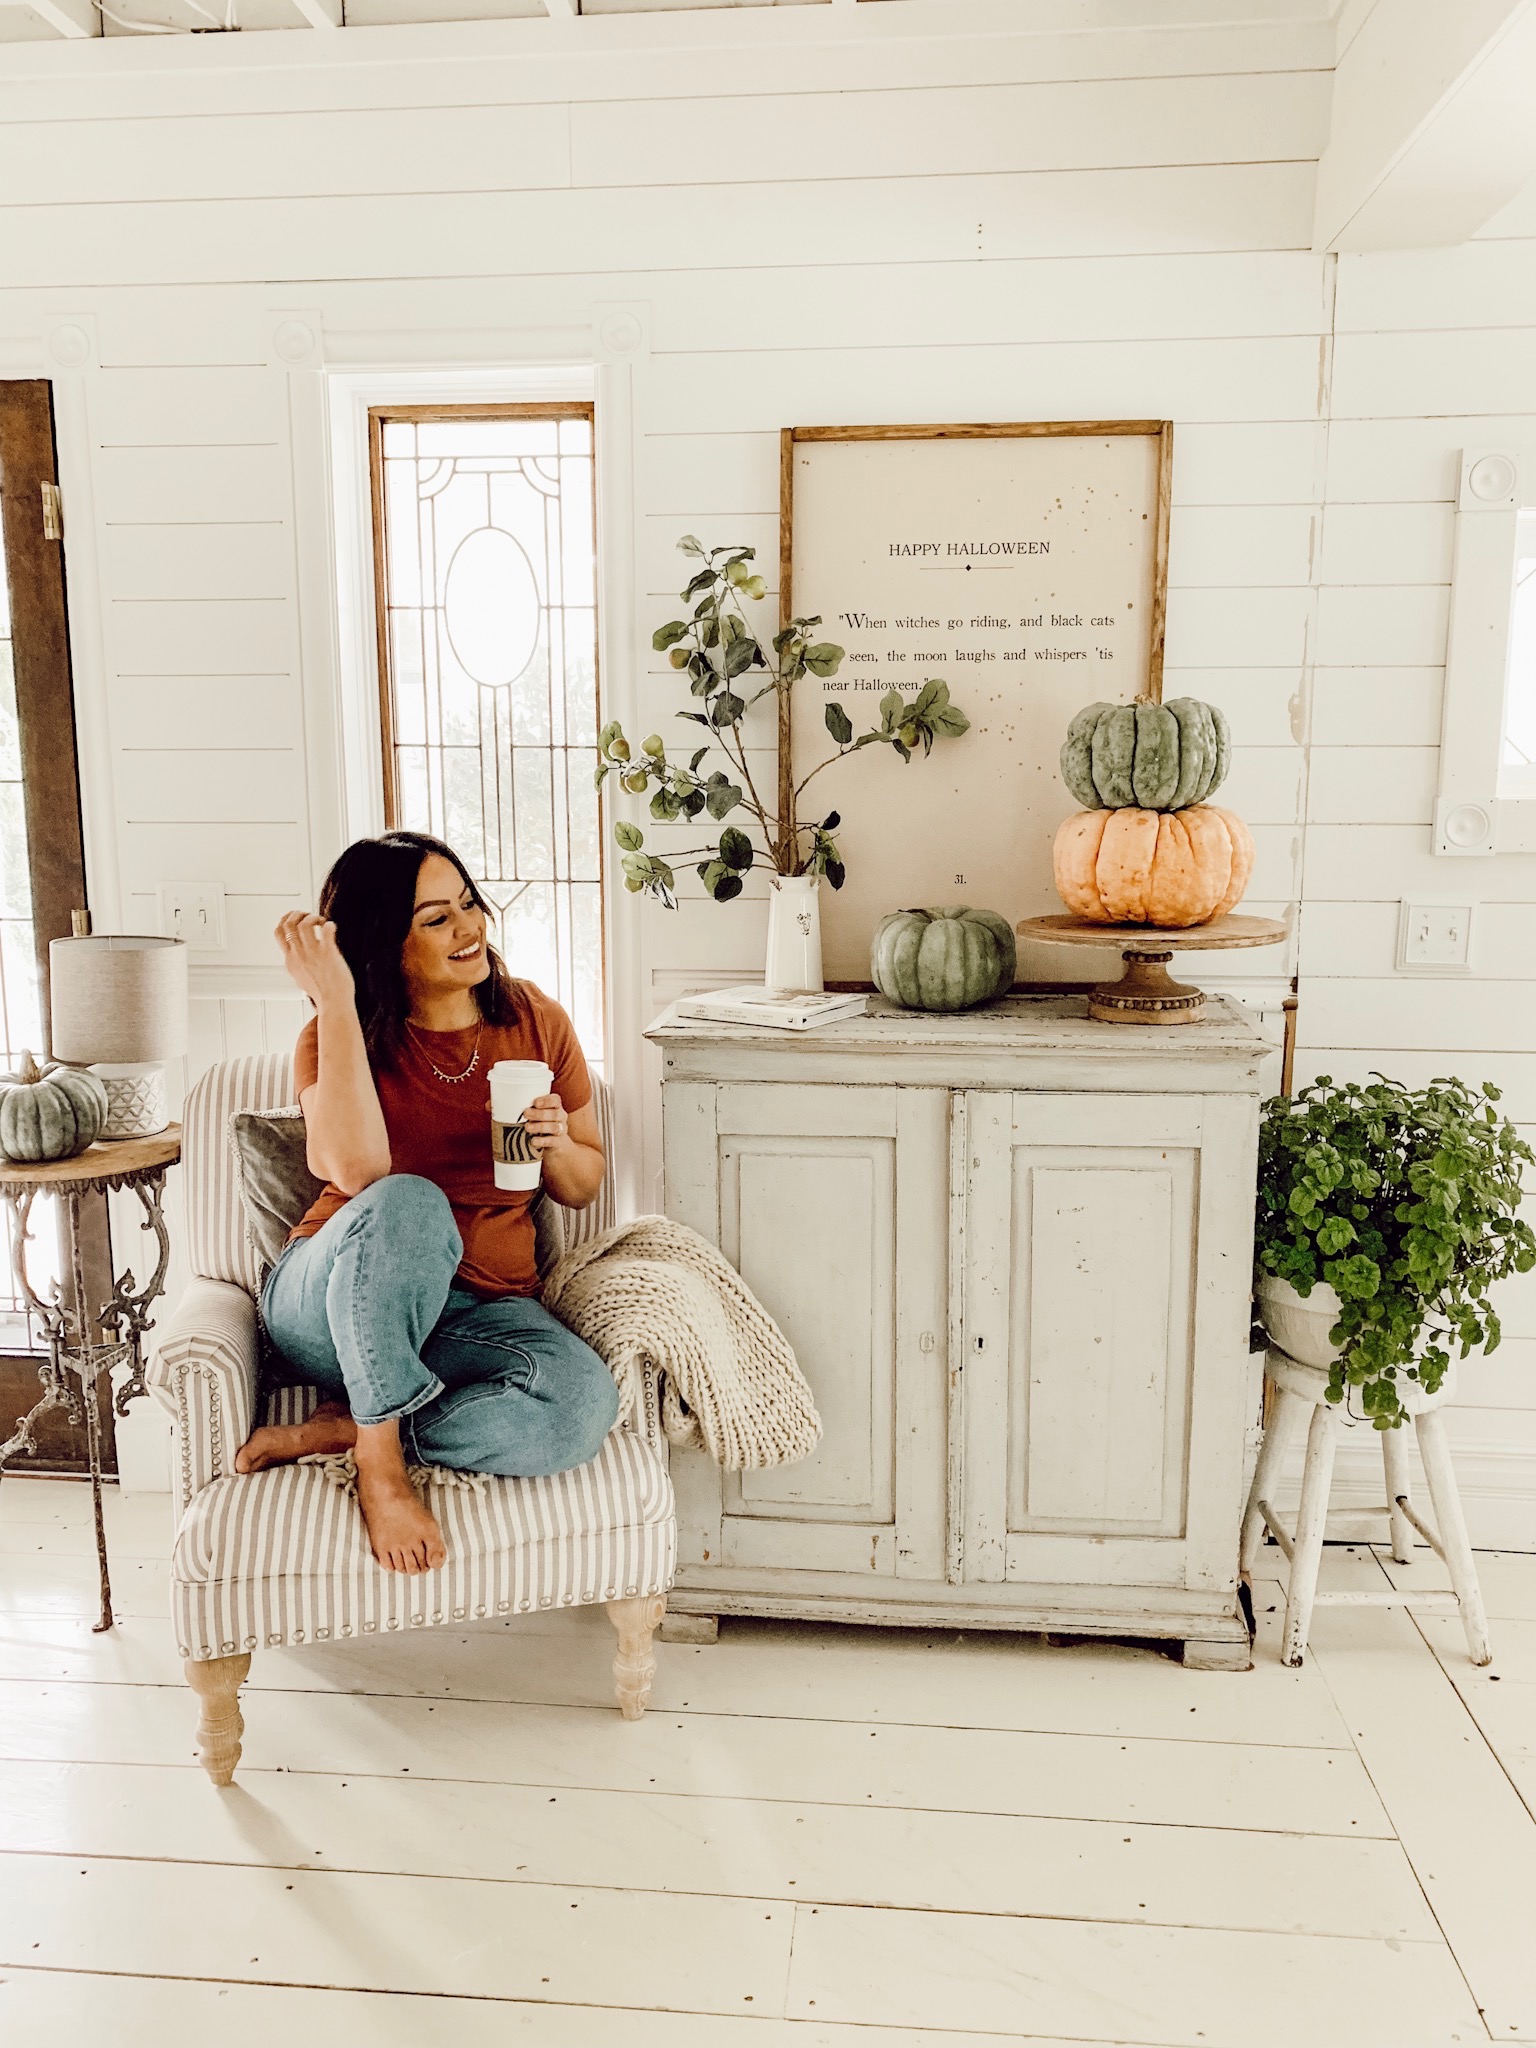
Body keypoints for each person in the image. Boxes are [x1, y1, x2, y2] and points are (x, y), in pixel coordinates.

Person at [232, 830, 619, 1576]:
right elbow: (356, 1166)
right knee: (407, 1201)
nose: (469, 928)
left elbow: (583, 1184)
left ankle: (359, 1422)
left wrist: (555, 1147)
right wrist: (337, 999)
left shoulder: (535, 1021)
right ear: (383, 939)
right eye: (436, 918)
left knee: (578, 1410)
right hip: (332, 1302)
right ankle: (380, 1465)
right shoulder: (333, 1037)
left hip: (481, 1309)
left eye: (468, 904)